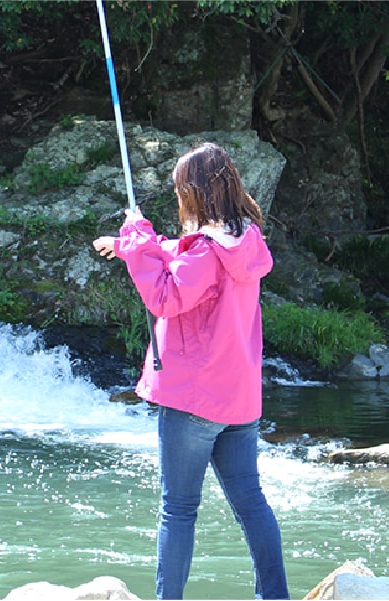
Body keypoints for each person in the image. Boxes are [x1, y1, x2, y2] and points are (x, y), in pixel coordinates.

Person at [92, 142, 289, 600]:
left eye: (182, 189)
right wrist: (129, 245)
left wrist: (137, 237)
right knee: (251, 504)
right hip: (239, 401)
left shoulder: (205, 250)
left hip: (194, 400)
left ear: (196, 192)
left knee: (178, 510)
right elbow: (182, 256)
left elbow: (166, 295)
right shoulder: (246, 240)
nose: (179, 198)